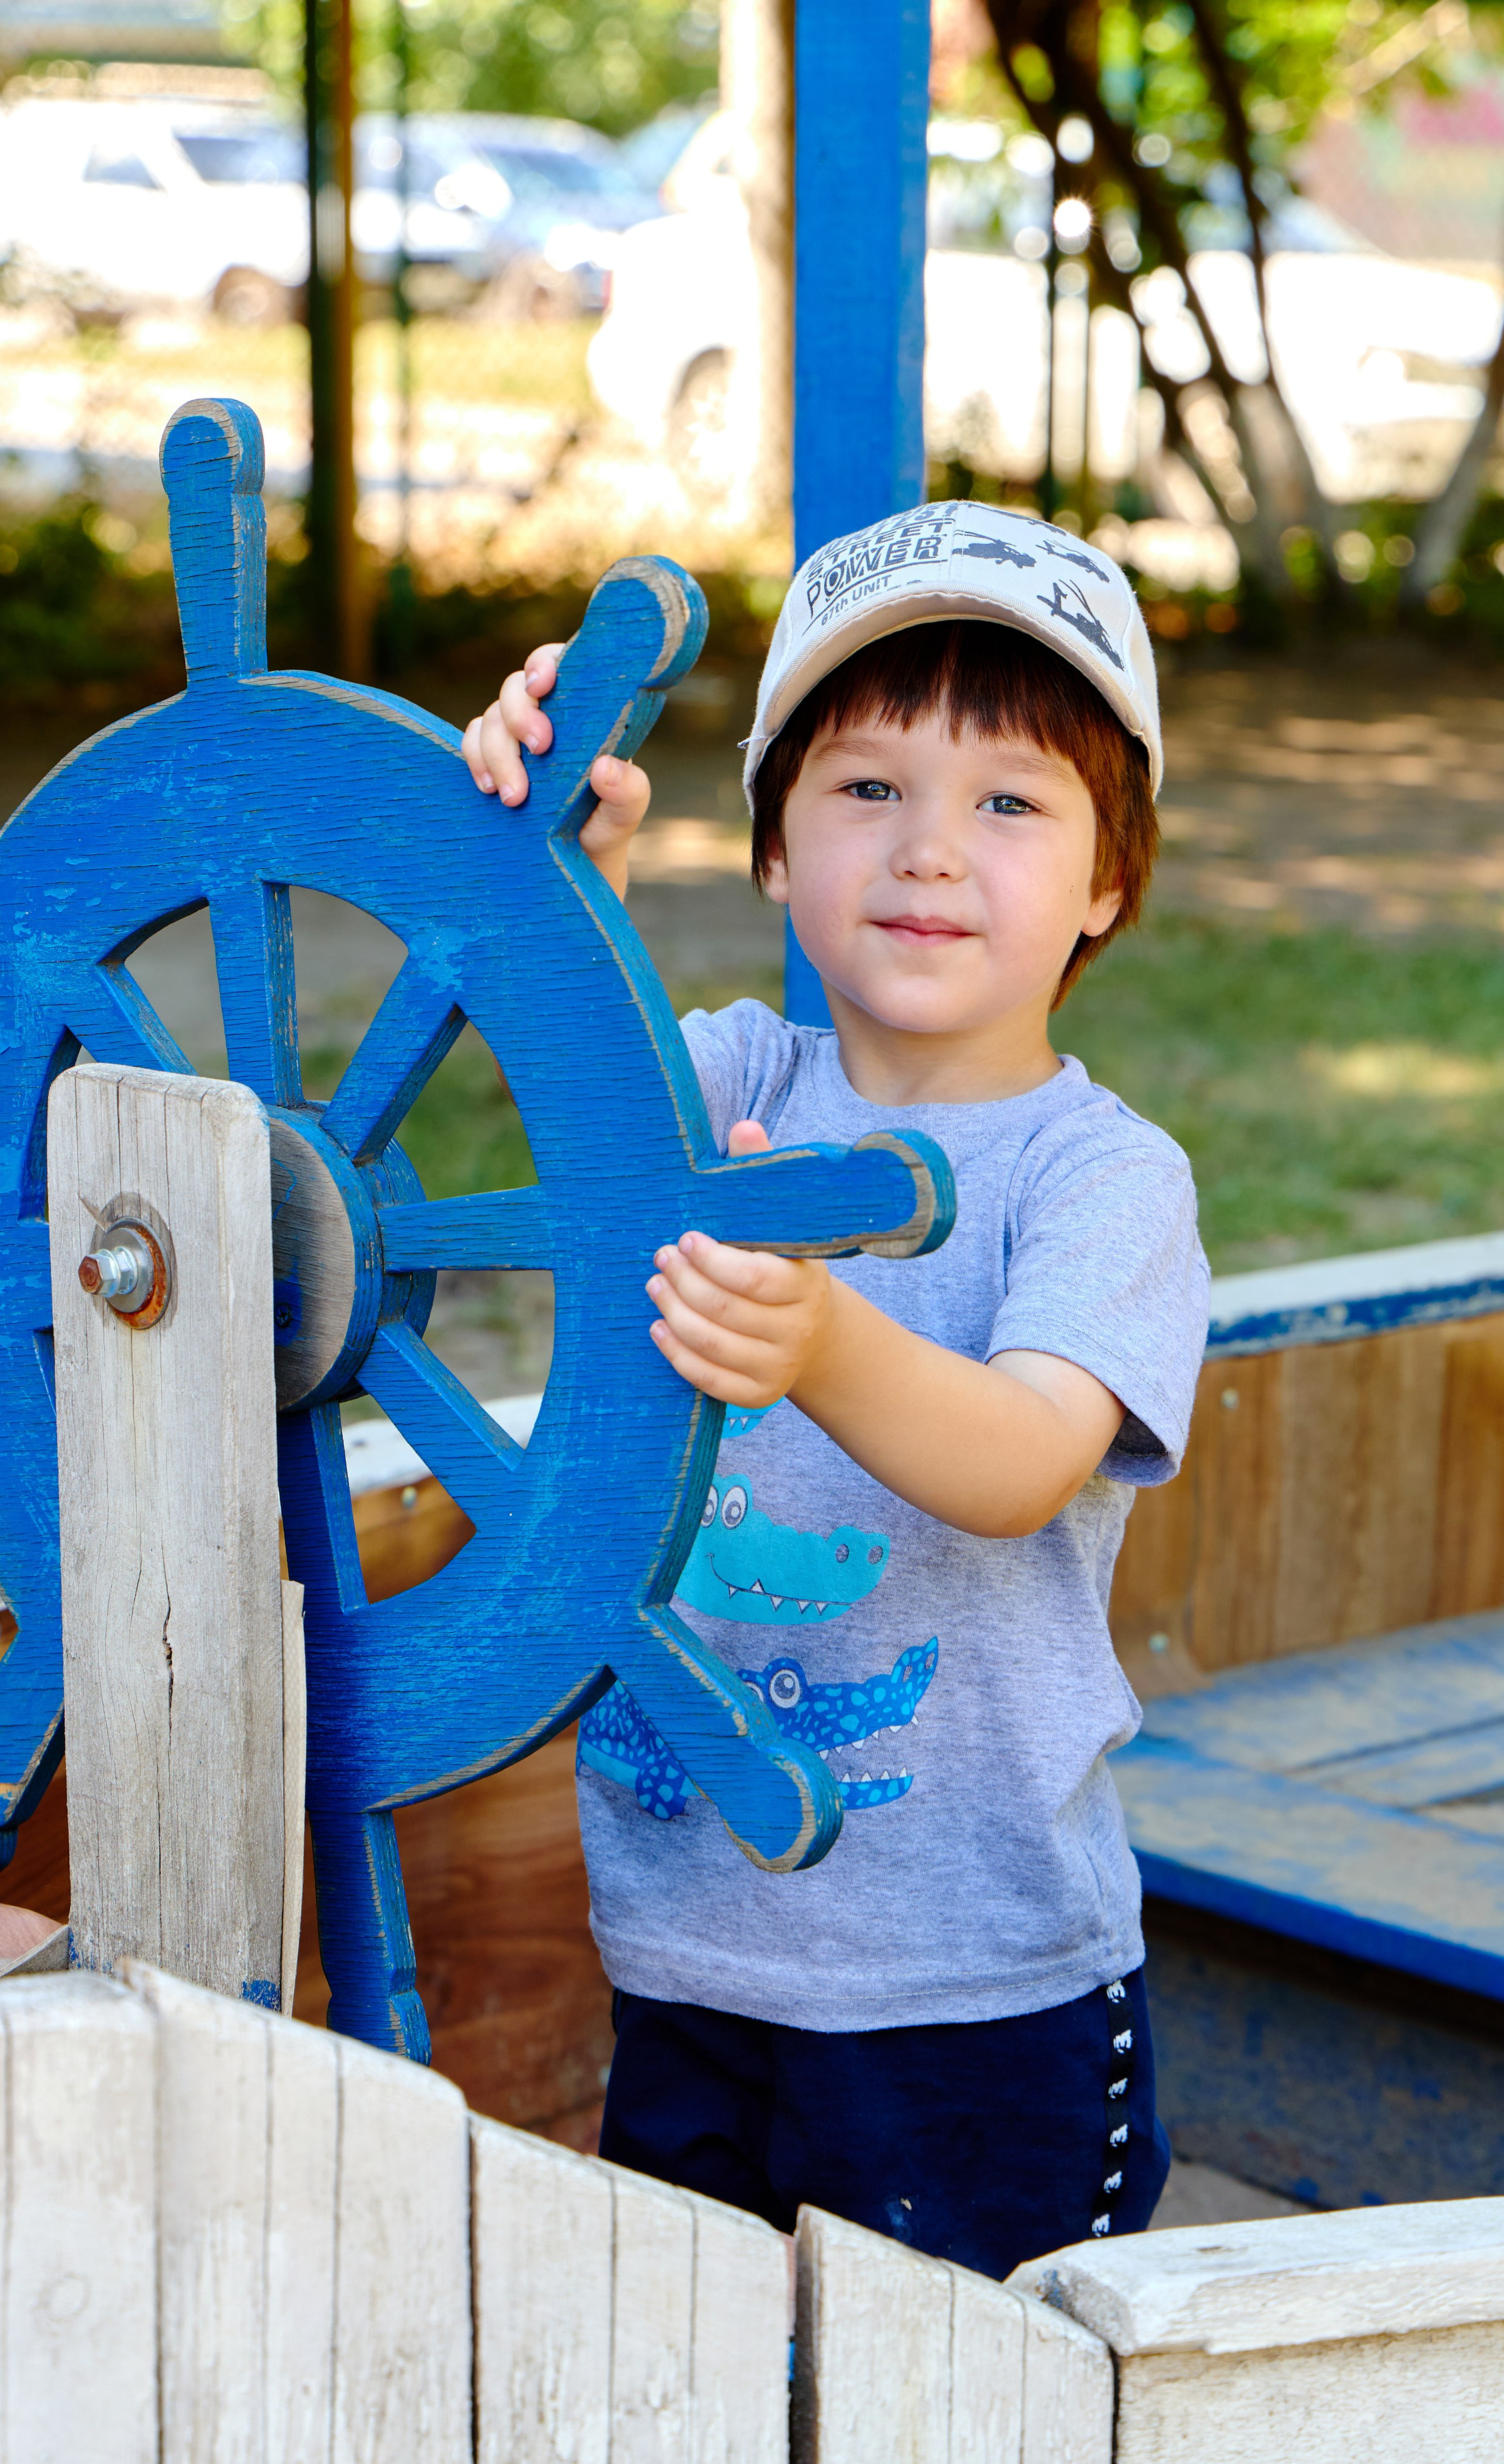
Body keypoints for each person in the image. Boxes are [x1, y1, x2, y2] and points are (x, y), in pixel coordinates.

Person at [462, 502, 1210, 2281]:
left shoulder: (1097, 1179)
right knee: (714, 2407)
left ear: (1110, 879)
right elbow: (573, 1069)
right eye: (866, 788)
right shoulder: (731, 1073)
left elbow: (1029, 1455)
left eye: (1011, 802)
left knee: (981, 2446)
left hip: (983, 1993)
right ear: (777, 852)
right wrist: (556, 856)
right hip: (686, 1952)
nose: (930, 850)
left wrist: (834, 1345)